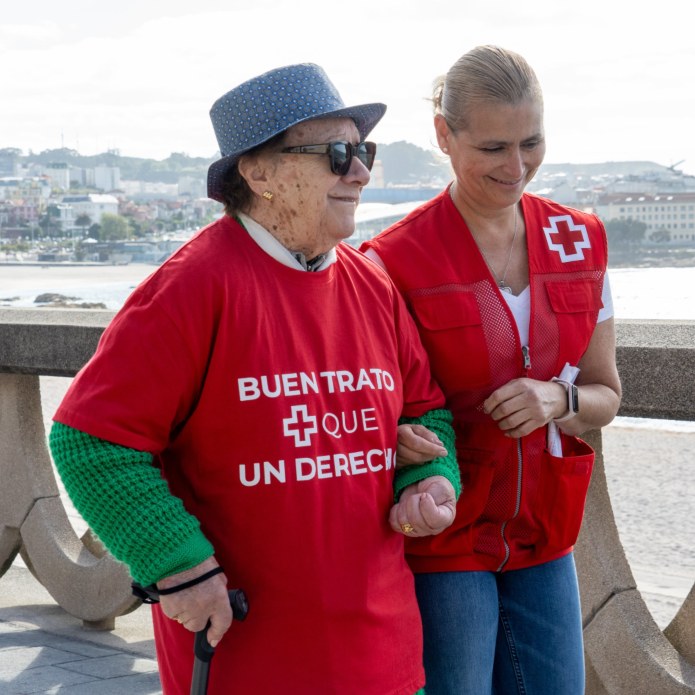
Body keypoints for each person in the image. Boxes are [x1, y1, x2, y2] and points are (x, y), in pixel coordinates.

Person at [48, 63, 461, 695]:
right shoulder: (192, 287)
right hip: (246, 657)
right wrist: (180, 566)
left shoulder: (371, 284)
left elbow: (425, 409)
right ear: (259, 173)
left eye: (363, 151)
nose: (360, 172)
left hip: (383, 655)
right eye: (337, 153)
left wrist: (427, 478)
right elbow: (91, 441)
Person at [360, 45, 622, 695]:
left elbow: (605, 394)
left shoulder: (580, 240)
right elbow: (375, 405)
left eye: (530, 142)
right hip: (443, 535)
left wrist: (556, 398)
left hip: (546, 533)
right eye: (493, 148)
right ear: (444, 136)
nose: (516, 167)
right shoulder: (391, 258)